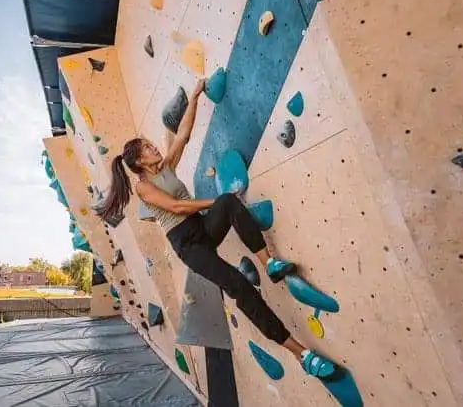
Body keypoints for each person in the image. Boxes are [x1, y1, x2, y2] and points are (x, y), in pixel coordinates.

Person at [98, 79, 336, 378]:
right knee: (239, 285)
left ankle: (270, 265)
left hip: (201, 228)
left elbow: (183, 133)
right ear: (138, 161)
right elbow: (176, 208)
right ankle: (301, 354)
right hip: (188, 245)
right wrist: (209, 202)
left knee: (227, 203)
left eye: (149, 143)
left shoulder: (167, 166)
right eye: (147, 147)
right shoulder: (144, 187)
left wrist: (195, 96)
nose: (153, 146)